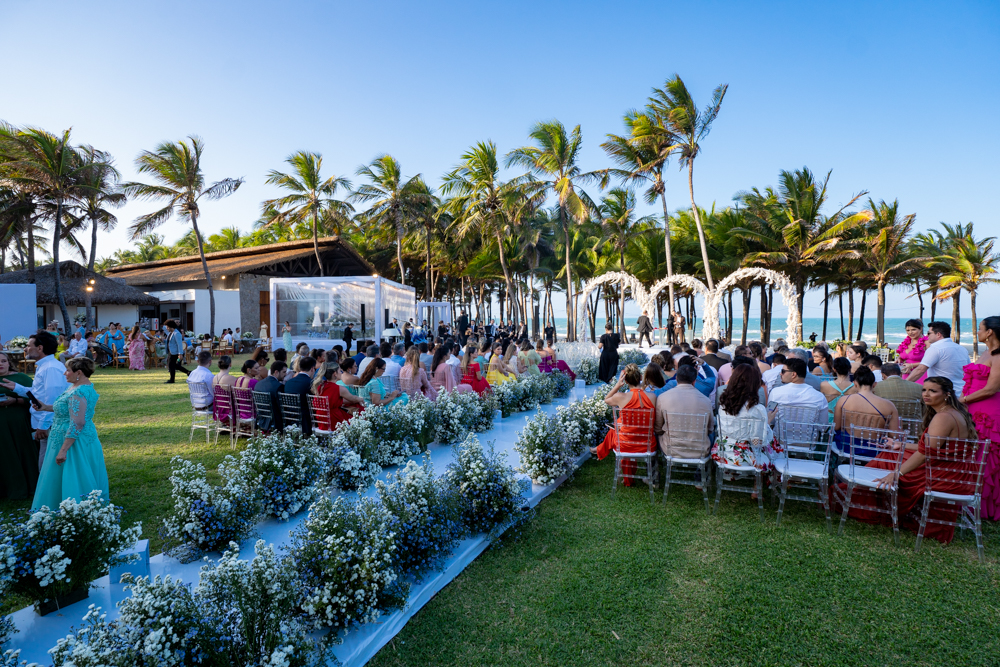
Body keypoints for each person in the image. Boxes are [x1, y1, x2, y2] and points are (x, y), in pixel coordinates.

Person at [837, 376, 978, 544]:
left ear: (947, 394)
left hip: (942, 475)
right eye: (924, 390)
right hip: (950, 470)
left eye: (932, 391)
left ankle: (859, 501)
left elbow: (925, 453)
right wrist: (900, 444)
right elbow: (932, 448)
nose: (926, 394)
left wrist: (897, 474)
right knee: (891, 454)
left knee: (888, 460)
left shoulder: (943, 417)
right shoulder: (951, 412)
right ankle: (863, 496)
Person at [19, 357, 106, 510]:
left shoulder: (77, 392)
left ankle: (75, 509)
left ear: (79, 373)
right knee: (75, 472)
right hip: (75, 436)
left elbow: (77, 422)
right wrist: (45, 407)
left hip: (72, 440)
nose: (65, 373)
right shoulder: (80, 386)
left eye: (68, 370)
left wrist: (63, 450)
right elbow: (68, 409)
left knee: (73, 472)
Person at [4, 332, 69, 469]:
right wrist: (17, 388)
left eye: (29, 346)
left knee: (48, 467)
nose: (25, 349)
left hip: (52, 425)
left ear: (40, 348)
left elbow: (53, 400)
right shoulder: (44, 366)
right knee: (46, 466)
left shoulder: (51, 368)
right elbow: (39, 393)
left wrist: (43, 426)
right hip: (48, 424)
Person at [959, 316, 1000, 520]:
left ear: (990, 332)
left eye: (980, 328)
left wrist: (963, 399)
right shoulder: (985, 352)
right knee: (972, 452)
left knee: (985, 456)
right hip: (972, 406)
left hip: (987, 410)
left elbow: (991, 388)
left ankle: (983, 507)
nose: (978, 332)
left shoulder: (998, 356)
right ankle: (967, 498)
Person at [590, 365, 656, 485]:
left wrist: (617, 385)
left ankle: (599, 450)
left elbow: (606, 399)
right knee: (617, 429)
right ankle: (599, 450)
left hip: (625, 445)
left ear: (625, 381)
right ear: (641, 377)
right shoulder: (652, 396)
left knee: (615, 430)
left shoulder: (620, 397)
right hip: (647, 445)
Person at [713, 364, 782, 475]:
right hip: (745, 456)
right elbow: (758, 442)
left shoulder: (723, 405)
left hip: (723, 451)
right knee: (772, 443)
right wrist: (767, 421)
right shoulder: (757, 409)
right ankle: (764, 480)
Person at [833, 367, 900, 457]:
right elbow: (894, 435)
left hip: (847, 447)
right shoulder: (889, 405)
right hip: (876, 450)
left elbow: (836, 426)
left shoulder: (843, 400)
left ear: (855, 384)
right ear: (875, 384)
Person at [654, 363, 715, 458]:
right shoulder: (706, 401)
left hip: (670, 449)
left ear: (676, 378)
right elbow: (710, 429)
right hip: (700, 451)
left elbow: (658, 429)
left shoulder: (663, 397)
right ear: (694, 381)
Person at [0, 352, 38, 500]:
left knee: (24, 452)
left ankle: (30, 486)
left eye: (3, 361)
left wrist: (15, 401)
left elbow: (36, 399)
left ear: (9, 363)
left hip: (20, 424)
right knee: (5, 454)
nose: (1, 364)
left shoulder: (21, 378)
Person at [905, 321, 970, 394]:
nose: (927, 335)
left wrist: (904, 384)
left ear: (938, 334)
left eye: (929, 333)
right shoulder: (962, 349)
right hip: (961, 392)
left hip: (942, 392)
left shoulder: (935, 348)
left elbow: (920, 370)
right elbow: (968, 370)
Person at [767, 358, 829, 422]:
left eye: (783, 371)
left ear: (793, 374)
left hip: (780, 428)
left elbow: (769, 419)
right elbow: (823, 424)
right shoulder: (819, 397)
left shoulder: (775, 392)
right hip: (809, 429)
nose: (780, 373)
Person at [312, 362, 364, 430]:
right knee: (360, 412)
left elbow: (333, 400)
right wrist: (361, 399)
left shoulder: (320, 386)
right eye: (340, 371)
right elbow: (353, 398)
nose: (341, 373)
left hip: (322, 420)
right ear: (335, 374)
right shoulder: (339, 388)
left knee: (354, 406)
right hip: (334, 420)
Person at [283, 356, 317, 435]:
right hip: (305, 420)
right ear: (312, 369)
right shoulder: (311, 383)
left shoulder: (288, 382)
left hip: (289, 417)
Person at [820, 357, 857, 423]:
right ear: (849, 369)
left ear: (834, 369)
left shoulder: (824, 385)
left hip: (829, 420)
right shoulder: (856, 387)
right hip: (847, 421)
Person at [254, 361, 287, 432]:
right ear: (276, 372)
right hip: (275, 420)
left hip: (261, 417)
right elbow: (282, 406)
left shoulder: (258, 384)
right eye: (284, 372)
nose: (285, 374)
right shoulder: (279, 386)